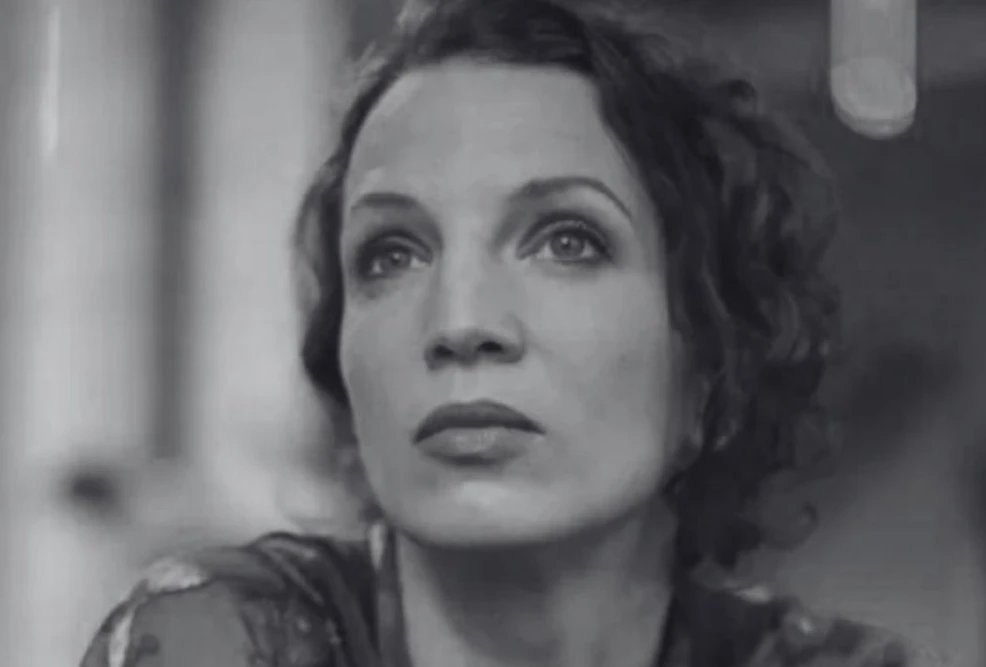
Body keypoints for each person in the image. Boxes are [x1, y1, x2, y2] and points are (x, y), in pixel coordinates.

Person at [79, 1, 941, 665]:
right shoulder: (227, 640)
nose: (460, 323)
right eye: (390, 254)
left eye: (568, 241)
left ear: (711, 368)